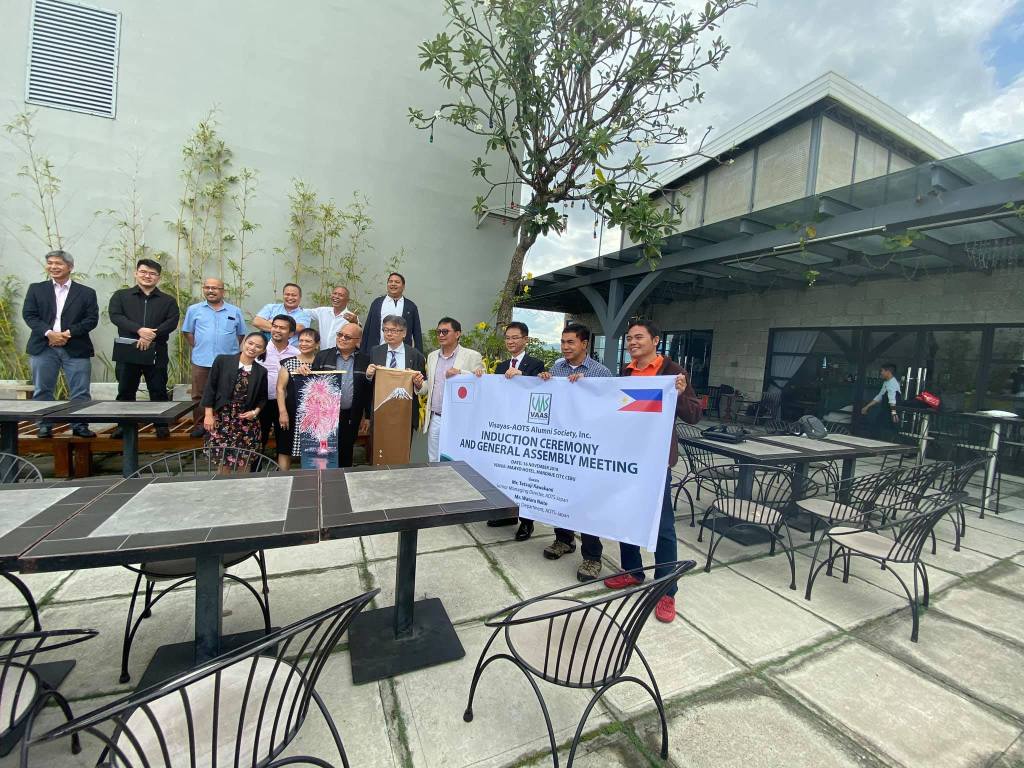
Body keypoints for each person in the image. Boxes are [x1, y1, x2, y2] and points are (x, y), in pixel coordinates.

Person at [602, 320, 703, 624]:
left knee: (662, 527)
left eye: (639, 337)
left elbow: (694, 415)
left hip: (656, 462)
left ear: (656, 340)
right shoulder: (626, 373)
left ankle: (666, 589)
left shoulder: (673, 372)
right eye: (629, 338)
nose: (632, 342)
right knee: (626, 518)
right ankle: (633, 571)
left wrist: (681, 394)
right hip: (627, 459)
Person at [537, 323, 613, 582]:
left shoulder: (600, 372)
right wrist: (544, 381)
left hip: (587, 447)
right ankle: (564, 539)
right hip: (560, 444)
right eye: (562, 342)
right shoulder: (557, 368)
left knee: (587, 501)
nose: (565, 347)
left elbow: (609, 408)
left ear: (584, 344)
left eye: (570, 342)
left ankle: (592, 557)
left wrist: (587, 388)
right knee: (560, 494)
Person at [21, 249, 99, 438]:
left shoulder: (86, 293)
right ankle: (44, 424)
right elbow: (29, 315)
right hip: (43, 346)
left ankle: (79, 425)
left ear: (70, 267)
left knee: (80, 390)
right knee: (43, 389)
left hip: (76, 346)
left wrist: (67, 334)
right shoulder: (36, 289)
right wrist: (49, 333)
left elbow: (91, 319)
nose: (53, 267)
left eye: (58, 263)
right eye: (50, 263)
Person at [108, 258, 181, 438]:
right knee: (125, 389)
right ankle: (124, 425)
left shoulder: (168, 300)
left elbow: (172, 321)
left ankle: (161, 425)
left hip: (156, 349)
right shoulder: (121, 296)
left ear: (158, 278)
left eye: (152, 273)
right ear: (136, 273)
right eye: (143, 272)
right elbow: (116, 316)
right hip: (128, 348)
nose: (147, 276)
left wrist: (152, 335)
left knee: (158, 389)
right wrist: (139, 330)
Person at [489, 320, 546, 538]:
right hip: (505, 427)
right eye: (508, 338)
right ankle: (507, 514)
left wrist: (524, 377)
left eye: (515, 337)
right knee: (505, 472)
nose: (511, 341)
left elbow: (540, 391)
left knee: (524, 476)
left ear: (525, 340)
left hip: (527, 430)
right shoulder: (501, 366)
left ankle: (527, 522)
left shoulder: (536, 365)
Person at [181, 278, 246, 438]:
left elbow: (240, 334)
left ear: (223, 291)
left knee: (228, 393)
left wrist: (228, 349)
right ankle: (200, 425)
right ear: (204, 289)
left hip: (228, 362)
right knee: (199, 394)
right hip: (202, 360)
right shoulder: (194, 310)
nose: (211, 291)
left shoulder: (235, 311)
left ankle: (225, 425)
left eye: (215, 288)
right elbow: (188, 332)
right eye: (207, 287)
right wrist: (199, 346)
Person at [201, 332, 268, 474]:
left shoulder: (261, 371)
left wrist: (255, 412)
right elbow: (210, 388)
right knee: (223, 461)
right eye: (250, 343)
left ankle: (243, 488)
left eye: (258, 346)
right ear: (244, 342)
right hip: (222, 419)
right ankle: (224, 488)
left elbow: (263, 398)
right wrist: (208, 415)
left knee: (245, 460)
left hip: (246, 422)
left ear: (262, 351)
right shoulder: (222, 361)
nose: (252, 348)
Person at [423, 318, 484, 462]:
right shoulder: (432, 356)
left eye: (445, 331)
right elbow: (430, 385)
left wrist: (460, 373)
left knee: (457, 459)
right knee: (433, 459)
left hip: (459, 419)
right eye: (438, 332)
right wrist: (419, 385)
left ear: (457, 334)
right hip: (436, 417)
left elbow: (482, 382)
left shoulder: (472, 356)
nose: (441, 335)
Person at [312, 324, 372, 467]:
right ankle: (323, 479)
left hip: (351, 414)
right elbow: (312, 384)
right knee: (324, 453)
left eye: (347, 337)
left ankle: (344, 478)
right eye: (340, 334)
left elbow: (368, 390)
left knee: (346, 450)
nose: (342, 339)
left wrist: (367, 416)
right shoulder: (323, 356)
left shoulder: (365, 360)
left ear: (358, 340)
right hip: (325, 416)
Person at [365, 315, 426, 434]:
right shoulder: (375, 351)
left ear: (404, 333)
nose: (389, 334)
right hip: (380, 408)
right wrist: (368, 375)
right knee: (380, 444)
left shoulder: (415, 355)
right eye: (385, 330)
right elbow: (368, 384)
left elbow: (423, 384)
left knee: (402, 444)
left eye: (393, 330)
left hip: (405, 411)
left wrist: (418, 384)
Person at [275, 328, 321, 470]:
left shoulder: (322, 363)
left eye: (308, 341)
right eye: (301, 340)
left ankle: (311, 479)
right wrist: (282, 412)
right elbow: (280, 389)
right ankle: (283, 479)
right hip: (291, 412)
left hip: (315, 415)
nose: (303, 344)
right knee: (285, 448)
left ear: (317, 344)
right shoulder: (289, 363)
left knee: (313, 449)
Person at [258, 315, 299, 465]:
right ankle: (253, 474)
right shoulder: (260, 350)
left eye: (282, 328)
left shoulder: (296, 353)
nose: (277, 330)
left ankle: (282, 475)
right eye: (275, 326)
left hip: (285, 405)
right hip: (262, 403)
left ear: (291, 333)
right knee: (258, 441)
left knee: (284, 444)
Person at [360, 272, 423, 354]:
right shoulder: (377, 303)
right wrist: (363, 352)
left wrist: (419, 355)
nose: (393, 284)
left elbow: (417, 333)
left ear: (403, 286)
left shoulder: (411, 306)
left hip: (402, 354)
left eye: (397, 282)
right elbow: (367, 328)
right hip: (377, 352)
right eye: (390, 281)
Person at [861, 363, 901, 437]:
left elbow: (892, 400)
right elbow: (880, 396)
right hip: (886, 410)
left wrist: (894, 413)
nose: (881, 373)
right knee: (878, 429)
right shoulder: (887, 382)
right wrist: (867, 407)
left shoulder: (892, 383)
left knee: (884, 431)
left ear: (888, 372)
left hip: (889, 411)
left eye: (882, 371)